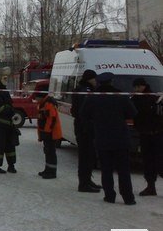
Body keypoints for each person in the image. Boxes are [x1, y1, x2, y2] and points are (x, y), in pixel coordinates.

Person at [81, 72, 137, 205]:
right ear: (112, 82)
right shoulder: (121, 96)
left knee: (106, 170)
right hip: (121, 139)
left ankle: (109, 195)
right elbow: (133, 113)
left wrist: (95, 121)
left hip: (102, 138)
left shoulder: (93, 97)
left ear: (99, 83)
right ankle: (128, 197)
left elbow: (83, 114)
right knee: (124, 170)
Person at [131, 78, 163, 196]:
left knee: (160, 161)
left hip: (158, 134)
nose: (136, 89)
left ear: (143, 86)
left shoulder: (155, 97)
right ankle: (151, 187)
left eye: (138, 86)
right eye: (135, 87)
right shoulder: (135, 99)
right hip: (144, 134)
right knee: (147, 161)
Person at [70, 69, 101, 193]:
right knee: (85, 156)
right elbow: (84, 111)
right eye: (95, 78)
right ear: (90, 79)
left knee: (89, 156)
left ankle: (87, 180)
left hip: (83, 127)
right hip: (85, 128)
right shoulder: (85, 91)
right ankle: (84, 183)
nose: (96, 81)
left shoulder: (82, 89)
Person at [37, 95, 62, 179]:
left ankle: (52, 172)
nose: (35, 99)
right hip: (47, 133)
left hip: (51, 133)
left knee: (51, 152)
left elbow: (52, 119)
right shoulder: (43, 104)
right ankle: (47, 170)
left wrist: (47, 132)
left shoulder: (48, 104)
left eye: (36, 97)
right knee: (47, 151)